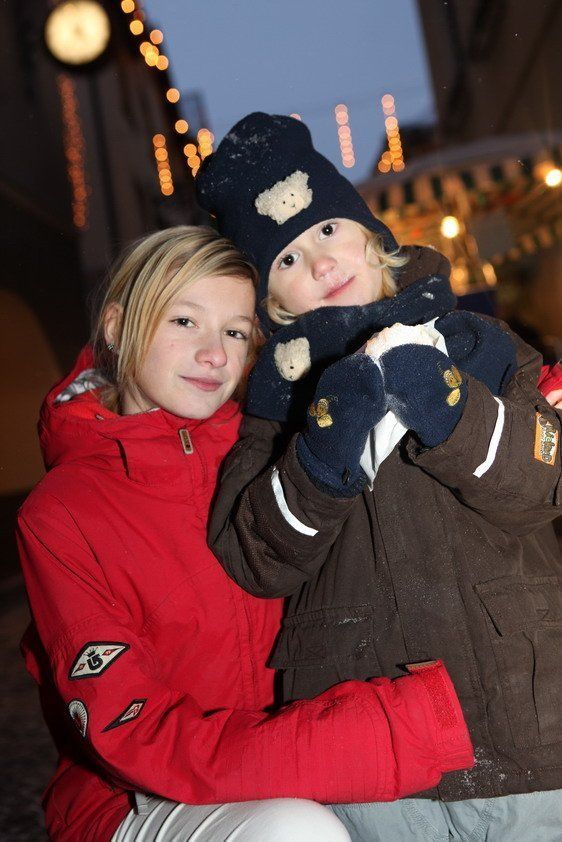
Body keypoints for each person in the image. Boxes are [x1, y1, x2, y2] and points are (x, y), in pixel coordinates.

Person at [17, 226, 474, 842]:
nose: (215, 355)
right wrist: (379, 735)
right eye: (185, 321)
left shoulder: (271, 448)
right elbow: (135, 731)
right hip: (139, 796)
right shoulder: (61, 514)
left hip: (299, 756)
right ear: (118, 328)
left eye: (235, 332)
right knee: (293, 830)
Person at [196, 114, 562, 841]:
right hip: (375, 751)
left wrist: (455, 411)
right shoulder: (276, 404)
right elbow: (254, 556)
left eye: (328, 230)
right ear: (272, 302)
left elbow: (543, 482)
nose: (320, 263)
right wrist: (321, 455)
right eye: (288, 259)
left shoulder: (478, 345)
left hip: (531, 719)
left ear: (370, 233)